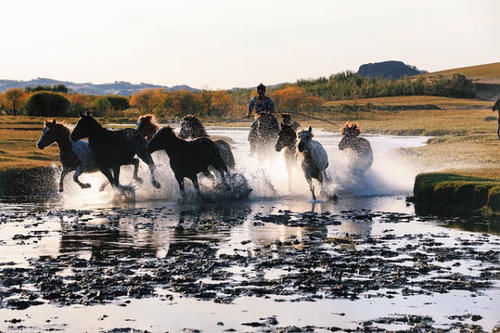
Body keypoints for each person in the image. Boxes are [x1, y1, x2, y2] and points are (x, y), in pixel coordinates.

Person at [247, 83, 278, 154]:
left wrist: (269, 112)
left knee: (276, 127)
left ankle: (276, 141)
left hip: (269, 117)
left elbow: (272, 109)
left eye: (262, 91)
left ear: (264, 91)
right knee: (252, 130)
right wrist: (248, 114)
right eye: (259, 91)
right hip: (258, 118)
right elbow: (250, 108)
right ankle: (252, 150)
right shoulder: (253, 100)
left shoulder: (269, 100)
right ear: (257, 91)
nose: (260, 92)